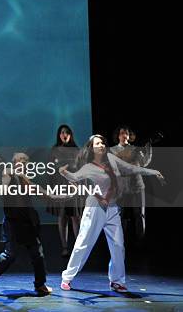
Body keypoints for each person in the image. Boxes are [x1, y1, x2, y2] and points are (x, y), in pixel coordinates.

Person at [58, 134, 165, 292]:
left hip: (113, 208)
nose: (101, 145)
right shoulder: (89, 167)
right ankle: (67, 278)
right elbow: (75, 177)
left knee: (118, 245)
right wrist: (63, 172)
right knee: (83, 243)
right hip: (95, 207)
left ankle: (117, 280)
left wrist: (153, 171)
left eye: (102, 142)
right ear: (91, 148)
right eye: (97, 143)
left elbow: (132, 168)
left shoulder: (111, 158)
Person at [0, 153, 56, 296]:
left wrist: (71, 195)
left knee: (38, 254)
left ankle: (40, 284)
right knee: (9, 255)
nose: (22, 164)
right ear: (14, 164)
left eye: (25, 162)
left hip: (28, 223)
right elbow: (4, 185)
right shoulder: (9, 173)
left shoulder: (26, 181)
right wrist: (1, 189)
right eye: (19, 161)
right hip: (13, 223)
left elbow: (46, 195)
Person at [110, 126, 151, 241]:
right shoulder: (112, 150)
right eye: (121, 133)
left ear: (129, 136)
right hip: (121, 188)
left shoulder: (135, 149)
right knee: (121, 217)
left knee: (140, 215)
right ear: (118, 136)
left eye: (126, 133)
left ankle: (140, 242)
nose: (124, 135)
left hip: (137, 186)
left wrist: (148, 149)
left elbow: (144, 163)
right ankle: (121, 242)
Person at [47, 125, 82, 256]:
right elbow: (50, 170)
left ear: (70, 135)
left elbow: (81, 169)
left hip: (74, 186)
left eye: (67, 132)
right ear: (59, 135)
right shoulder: (54, 150)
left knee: (75, 217)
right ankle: (65, 247)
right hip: (60, 187)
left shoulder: (76, 150)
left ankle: (78, 248)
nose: (64, 134)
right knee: (62, 217)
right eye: (62, 132)